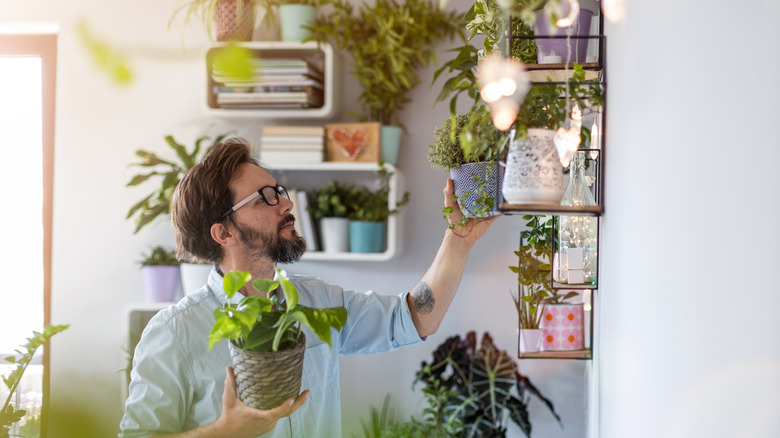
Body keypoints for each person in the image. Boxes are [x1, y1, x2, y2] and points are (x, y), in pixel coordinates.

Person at [119, 137, 497, 438]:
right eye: (265, 198)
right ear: (223, 232)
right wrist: (225, 431)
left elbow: (414, 318)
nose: (285, 202)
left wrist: (458, 239)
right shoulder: (173, 335)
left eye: (279, 190)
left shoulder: (316, 301)